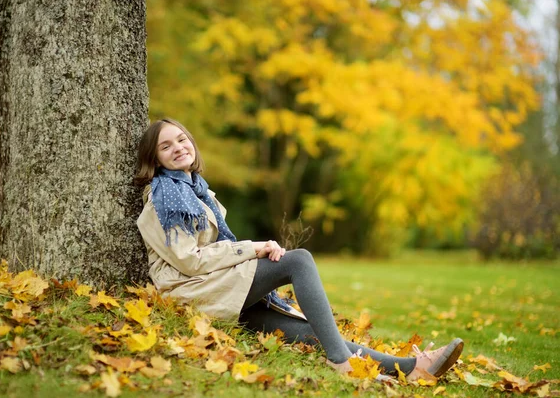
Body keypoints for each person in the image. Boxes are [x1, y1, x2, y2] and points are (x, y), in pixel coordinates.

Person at [134, 118, 464, 381]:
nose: (178, 148)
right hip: (191, 292)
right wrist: (253, 249)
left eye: (181, 139)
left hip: (214, 287)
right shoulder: (164, 198)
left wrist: (247, 253)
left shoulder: (195, 191)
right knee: (299, 261)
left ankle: (411, 368)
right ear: (156, 159)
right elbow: (189, 261)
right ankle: (341, 363)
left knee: (311, 331)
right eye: (166, 146)